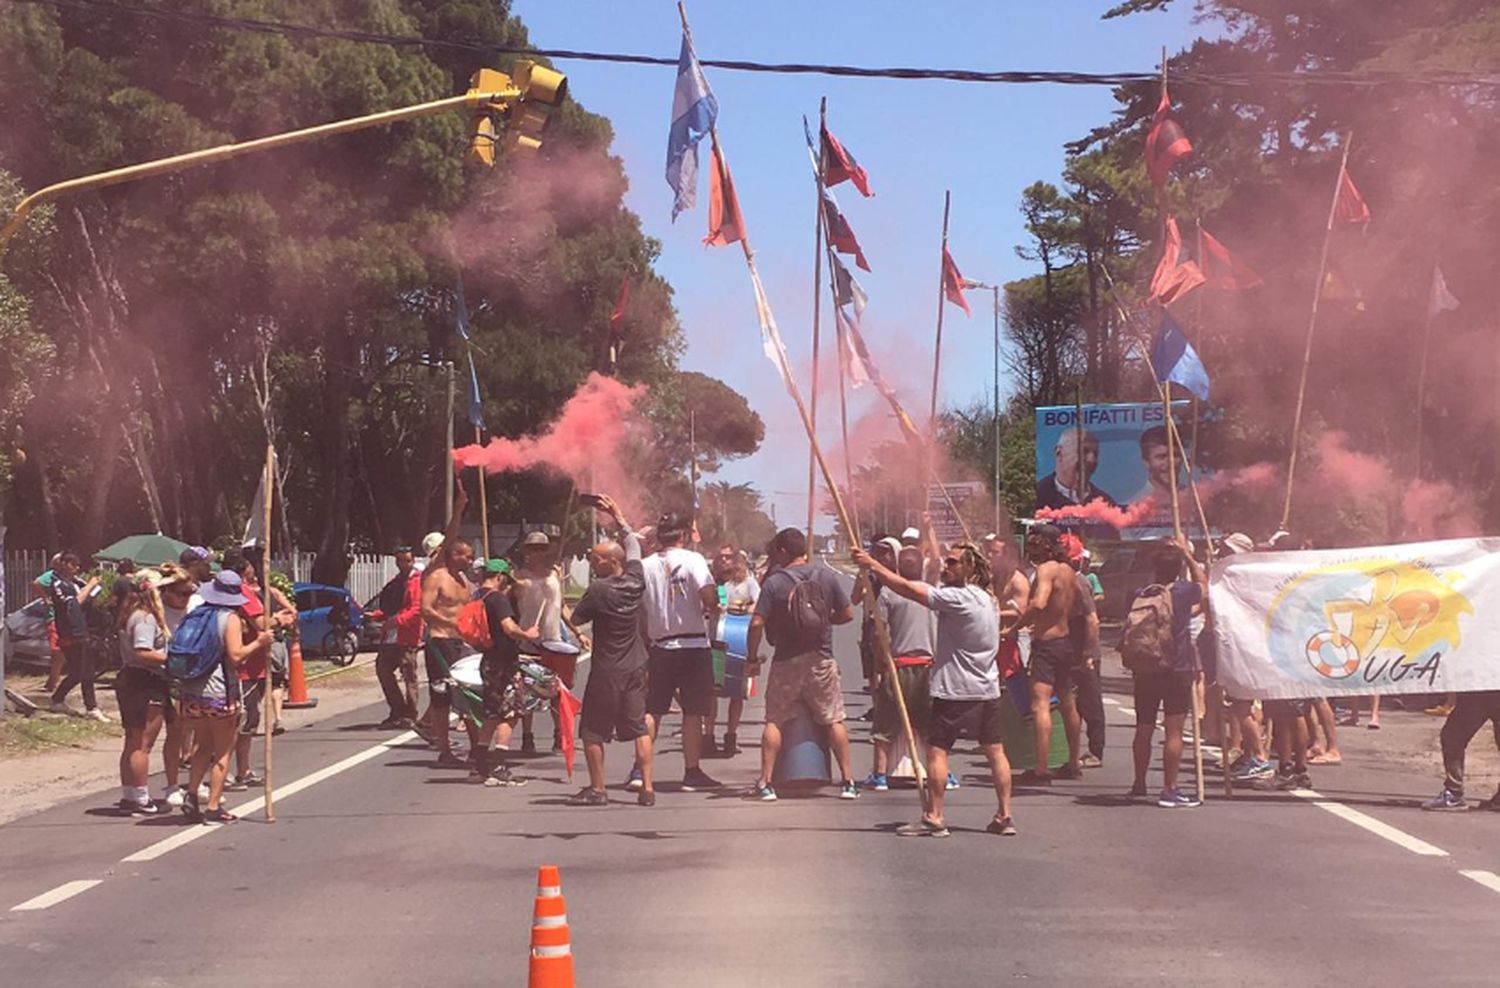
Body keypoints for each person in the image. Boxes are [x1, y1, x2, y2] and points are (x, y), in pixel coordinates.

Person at [856, 541, 1017, 838]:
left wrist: (875, 567)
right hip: (987, 689)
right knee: (995, 751)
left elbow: (908, 589)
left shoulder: (959, 598)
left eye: (953, 562)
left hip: (955, 690)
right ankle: (1005, 816)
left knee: (937, 751)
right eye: (946, 561)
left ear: (969, 568)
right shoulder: (987, 599)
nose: (946, 566)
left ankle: (934, 816)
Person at [744, 527, 857, 802]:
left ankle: (766, 783)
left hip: (786, 660)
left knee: (775, 720)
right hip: (821, 658)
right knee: (833, 719)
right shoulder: (826, 576)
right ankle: (849, 781)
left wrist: (752, 656)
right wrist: (825, 621)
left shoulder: (775, 582)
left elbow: (757, 622)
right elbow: (848, 613)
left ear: (783, 551)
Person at [567, 495, 655, 806]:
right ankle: (646, 788)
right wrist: (619, 516)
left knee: (592, 731)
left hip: (606, 670)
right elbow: (633, 547)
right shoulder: (635, 580)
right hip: (636, 666)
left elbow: (575, 619)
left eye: (595, 560)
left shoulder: (599, 590)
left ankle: (598, 789)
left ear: (610, 562)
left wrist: (565, 613)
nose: (591, 563)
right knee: (639, 725)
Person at [639, 511, 722, 792]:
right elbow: (709, 595)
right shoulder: (693, 560)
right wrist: (711, 609)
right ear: (684, 535)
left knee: (653, 710)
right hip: (693, 646)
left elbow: (639, 609)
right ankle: (691, 771)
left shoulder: (645, 565)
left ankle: (641, 771)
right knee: (693, 712)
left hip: (660, 646)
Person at [182, 571, 272, 824]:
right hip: (219, 691)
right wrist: (260, 642)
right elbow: (236, 655)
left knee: (202, 746)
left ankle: (191, 794)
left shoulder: (197, 614)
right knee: (222, 751)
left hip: (193, 691)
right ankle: (212, 806)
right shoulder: (228, 618)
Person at [1124, 538, 1207, 807]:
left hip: (1145, 668)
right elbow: (1205, 589)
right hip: (1176, 667)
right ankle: (1170, 788)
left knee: (1144, 727)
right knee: (1173, 731)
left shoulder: (1140, 592)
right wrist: (1188, 556)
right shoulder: (1183, 592)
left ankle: (1138, 782)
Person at [1007, 524, 1082, 785]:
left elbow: (1038, 603)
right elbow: (1079, 607)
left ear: (1047, 544)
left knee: (1040, 704)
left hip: (1047, 645)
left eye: (1036, 542)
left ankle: (1040, 768)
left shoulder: (1046, 570)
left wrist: (1015, 627)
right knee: (1068, 702)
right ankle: (1073, 762)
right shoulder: (1070, 572)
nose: (1032, 547)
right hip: (1065, 642)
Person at [864, 546, 936, 792]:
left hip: (900, 666)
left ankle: (880, 774)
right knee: (932, 727)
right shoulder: (933, 593)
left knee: (884, 724)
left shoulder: (888, 593)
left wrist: (880, 661)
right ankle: (943, 775)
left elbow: (879, 631)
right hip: (929, 667)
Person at [466, 559, 540, 787]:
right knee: (511, 713)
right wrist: (527, 634)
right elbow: (508, 628)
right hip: (504, 664)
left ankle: (479, 765)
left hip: (488, 661)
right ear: (500, 577)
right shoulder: (498, 599)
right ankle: (498, 765)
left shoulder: (478, 596)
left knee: (491, 713)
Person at [512, 530, 588, 754]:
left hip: (554, 640)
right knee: (527, 691)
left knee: (558, 690)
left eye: (542, 548)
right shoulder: (518, 577)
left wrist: (578, 631)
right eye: (533, 548)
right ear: (526, 551)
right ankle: (527, 737)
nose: (538, 552)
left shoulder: (554, 575)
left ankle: (559, 736)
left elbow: (561, 605)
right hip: (528, 642)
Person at [417, 482, 471, 766]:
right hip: (440, 642)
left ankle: (474, 744)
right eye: (464, 554)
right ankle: (444, 750)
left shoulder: (464, 580)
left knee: (466, 692)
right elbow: (425, 610)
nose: (470, 560)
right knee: (441, 696)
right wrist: (459, 509)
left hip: (461, 644)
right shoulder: (435, 572)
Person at [114, 571, 174, 815]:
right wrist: (172, 659)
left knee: (133, 741)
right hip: (144, 681)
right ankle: (140, 796)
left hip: (133, 679)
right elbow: (143, 652)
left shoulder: (131, 615)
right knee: (142, 743)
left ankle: (131, 794)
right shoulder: (145, 618)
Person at [705, 544, 759, 757]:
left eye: (729, 557)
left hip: (740, 641)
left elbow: (758, 604)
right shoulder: (715, 583)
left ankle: (730, 736)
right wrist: (715, 607)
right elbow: (708, 605)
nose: (725, 561)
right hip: (716, 642)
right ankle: (708, 737)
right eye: (722, 557)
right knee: (712, 691)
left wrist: (744, 608)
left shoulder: (748, 582)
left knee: (737, 692)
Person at [156, 564, 199, 807]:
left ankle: (195, 782)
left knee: (199, 730)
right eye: (181, 594)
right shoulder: (157, 612)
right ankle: (173, 784)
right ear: (167, 592)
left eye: (189, 592)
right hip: (171, 676)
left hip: (198, 674)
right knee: (176, 732)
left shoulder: (196, 607)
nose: (186, 598)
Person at [47, 551, 106, 720]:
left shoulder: (76, 583)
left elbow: (87, 600)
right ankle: (90, 707)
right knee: (83, 670)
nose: (75, 569)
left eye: (77, 565)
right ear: (63, 564)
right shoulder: (58, 584)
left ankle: (60, 699)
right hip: (69, 632)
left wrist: (93, 589)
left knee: (82, 670)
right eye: (72, 564)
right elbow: (74, 603)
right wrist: (89, 586)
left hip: (82, 629)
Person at [1063, 536, 1105, 769]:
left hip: (1084, 650)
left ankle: (1095, 750)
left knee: (1090, 703)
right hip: (1069, 648)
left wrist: (1088, 653)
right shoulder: (1065, 579)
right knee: (1069, 702)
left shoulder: (1079, 583)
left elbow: (1092, 619)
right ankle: (1069, 752)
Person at [1423, 691, 1500, 812]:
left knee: (1453, 736)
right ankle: (1454, 793)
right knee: (1453, 735)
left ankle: (1454, 793)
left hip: (1481, 689)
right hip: (1484, 687)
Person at [375, 546, 420, 728]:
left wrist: (397, 621)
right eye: (400, 561)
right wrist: (378, 616)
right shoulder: (395, 582)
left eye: (407, 560)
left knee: (409, 675)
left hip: (407, 636)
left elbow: (417, 610)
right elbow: (390, 608)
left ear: (413, 561)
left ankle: (410, 714)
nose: (404, 564)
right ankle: (397, 709)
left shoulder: (417, 582)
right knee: (383, 669)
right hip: (390, 636)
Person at [1035, 428, 1118, 510]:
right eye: (1084, 451)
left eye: (1095, 454)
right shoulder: (1038, 496)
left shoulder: (1106, 504)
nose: (1091, 460)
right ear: (1059, 453)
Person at [31, 554, 65, 692]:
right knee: (57, 650)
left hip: (63, 618)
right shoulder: (51, 575)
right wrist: (45, 598)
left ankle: (53, 679)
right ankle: (53, 680)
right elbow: (35, 583)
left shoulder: (65, 577)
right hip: (54, 617)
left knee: (61, 651)